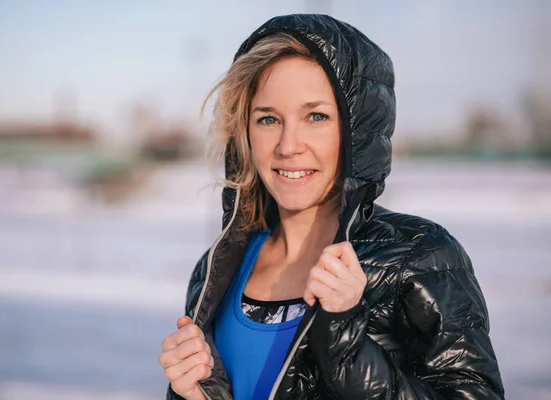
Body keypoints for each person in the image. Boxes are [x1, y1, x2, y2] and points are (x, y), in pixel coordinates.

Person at [158, 14, 505, 400]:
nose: (288, 145)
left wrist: (346, 338)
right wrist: (191, 393)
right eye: (268, 119)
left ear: (357, 131)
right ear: (245, 132)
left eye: (316, 116)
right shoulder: (217, 268)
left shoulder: (420, 256)